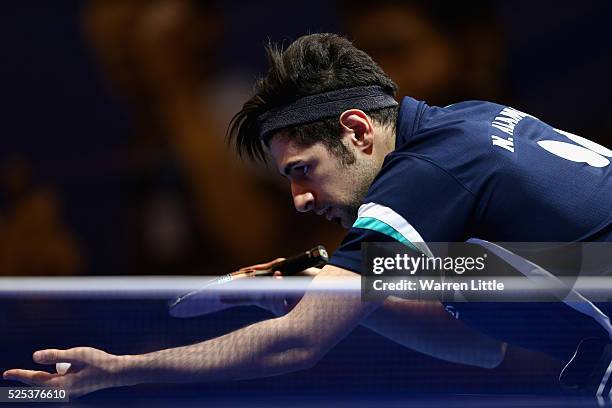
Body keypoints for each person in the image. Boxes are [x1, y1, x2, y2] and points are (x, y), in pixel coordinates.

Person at [3, 33, 611, 397]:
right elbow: (480, 343)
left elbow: (296, 346)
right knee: (448, 274)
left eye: (302, 170)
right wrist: (310, 290)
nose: (298, 200)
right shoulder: (467, 121)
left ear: (356, 131)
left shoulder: (423, 177)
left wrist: (119, 371)